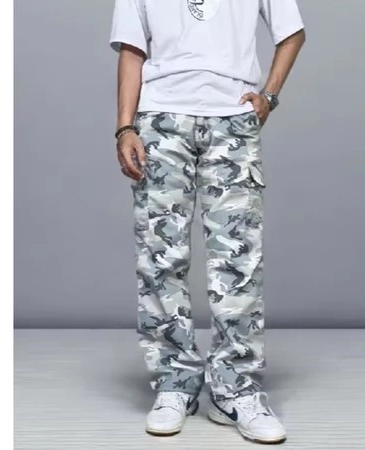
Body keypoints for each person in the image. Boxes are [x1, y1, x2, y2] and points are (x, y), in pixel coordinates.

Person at [109, 0, 305, 444]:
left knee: (239, 262)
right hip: (160, 120)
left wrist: (269, 96)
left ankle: (236, 389)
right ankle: (175, 383)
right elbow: (132, 50)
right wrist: (125, 127)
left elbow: (292, 32)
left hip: (232, 119)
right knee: (160, 259)